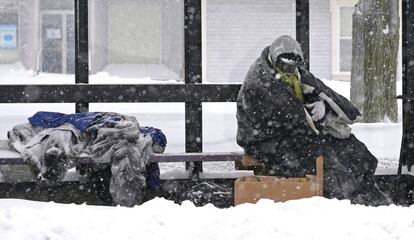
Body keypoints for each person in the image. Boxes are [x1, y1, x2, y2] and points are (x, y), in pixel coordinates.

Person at [236, 35, 391, 206]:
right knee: (327, 158)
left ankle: (367, 191)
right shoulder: (259, 80)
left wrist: (323, 105)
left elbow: (335, 101)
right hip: (268, 142)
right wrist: (318, 117)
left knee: (354, 149)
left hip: (298, 134)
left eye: (293, 64)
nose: (289, 68)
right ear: (275, 59)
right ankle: (344, 200)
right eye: (284, 64)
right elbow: (287, 116)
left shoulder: (296, 74)